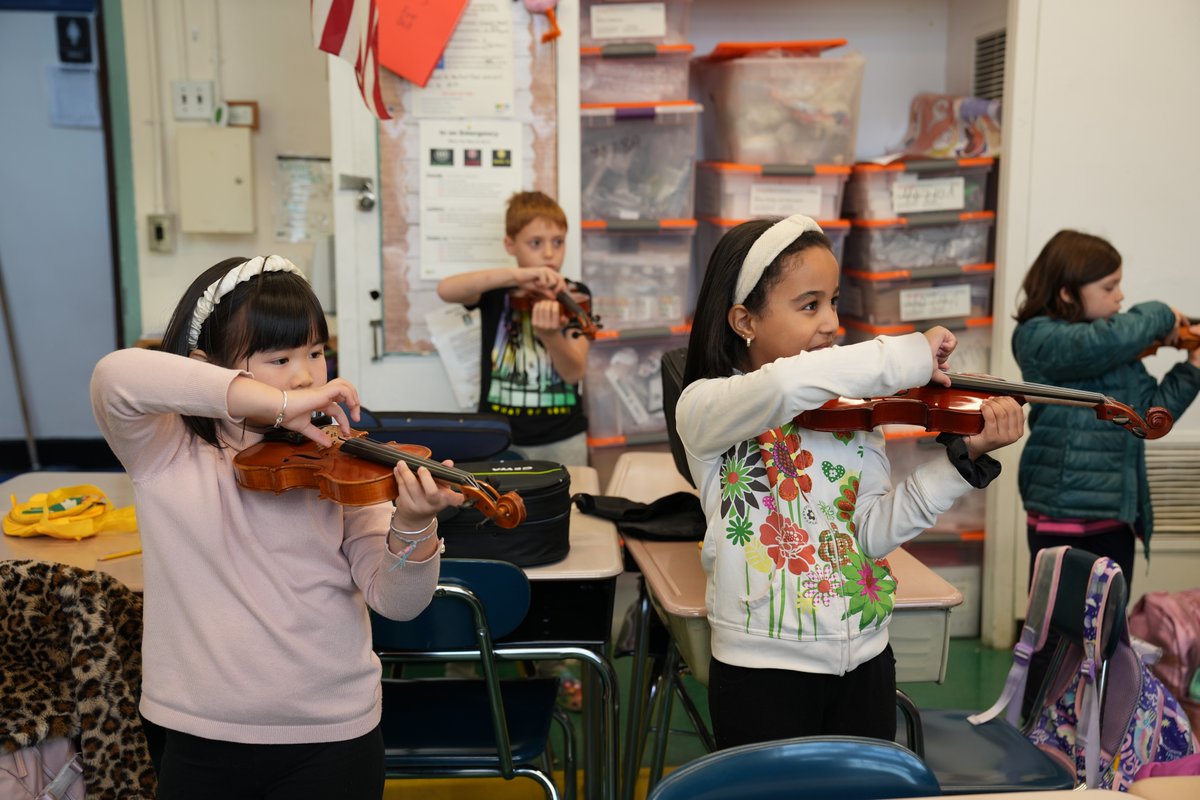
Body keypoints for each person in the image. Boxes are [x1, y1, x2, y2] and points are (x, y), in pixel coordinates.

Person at [91, 255, 465, 799]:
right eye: (279, 358)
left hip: (334, 736)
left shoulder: (341, 464)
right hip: (200, 732)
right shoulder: (166, 452)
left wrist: (413, 524)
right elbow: (115, 376)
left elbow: (397, 602)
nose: (307, 375)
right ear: (208, 367)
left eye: (316, 352)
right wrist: (277, 403)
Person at [674, 214, 1024, 748]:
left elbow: (872, 534)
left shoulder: (852, 417)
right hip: (761, 672)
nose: (831, 323)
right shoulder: (705, 409)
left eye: (834, 301)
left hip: (865, 661)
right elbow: (788, 383)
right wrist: (905, 354)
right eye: (809, 304)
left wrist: (961, 462)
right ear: (744, 321)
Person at [1012, 229, 1200, 715]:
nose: (1121, 298)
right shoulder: (1038, 337)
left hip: (1116, 517)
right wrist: (1161, 313)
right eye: (1110, 287)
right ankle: (1034, 738)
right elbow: (1108, 338)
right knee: (1057, 641)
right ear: (1067, 294)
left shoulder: (1118, 356)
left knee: (1108, 641)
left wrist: (1193, 368)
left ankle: (1093, 742)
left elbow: (1151, 417)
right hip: (1063, 516)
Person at [437, 190, 590, 467]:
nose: (549, 253)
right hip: (497, 435)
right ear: (511, 245)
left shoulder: (576, 295)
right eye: (535, 243)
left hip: (562, 437)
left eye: (558, 242)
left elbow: (574, 372)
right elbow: (446, 289)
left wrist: (551, 336)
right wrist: (518, 275)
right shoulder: (497, 292)